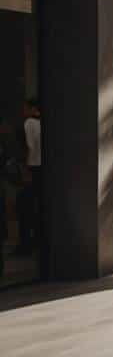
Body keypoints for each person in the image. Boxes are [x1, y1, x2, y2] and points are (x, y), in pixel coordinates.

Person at [16, 99, 41, 256]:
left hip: (31, 167)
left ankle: (26, 244)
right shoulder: (42, 123)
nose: (23, 110)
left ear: (32, 108)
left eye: (25, 107)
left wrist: (24, 169)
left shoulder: (29, 123)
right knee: (37, 206)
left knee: (25, 205)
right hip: (42, 168)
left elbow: (29, 146)